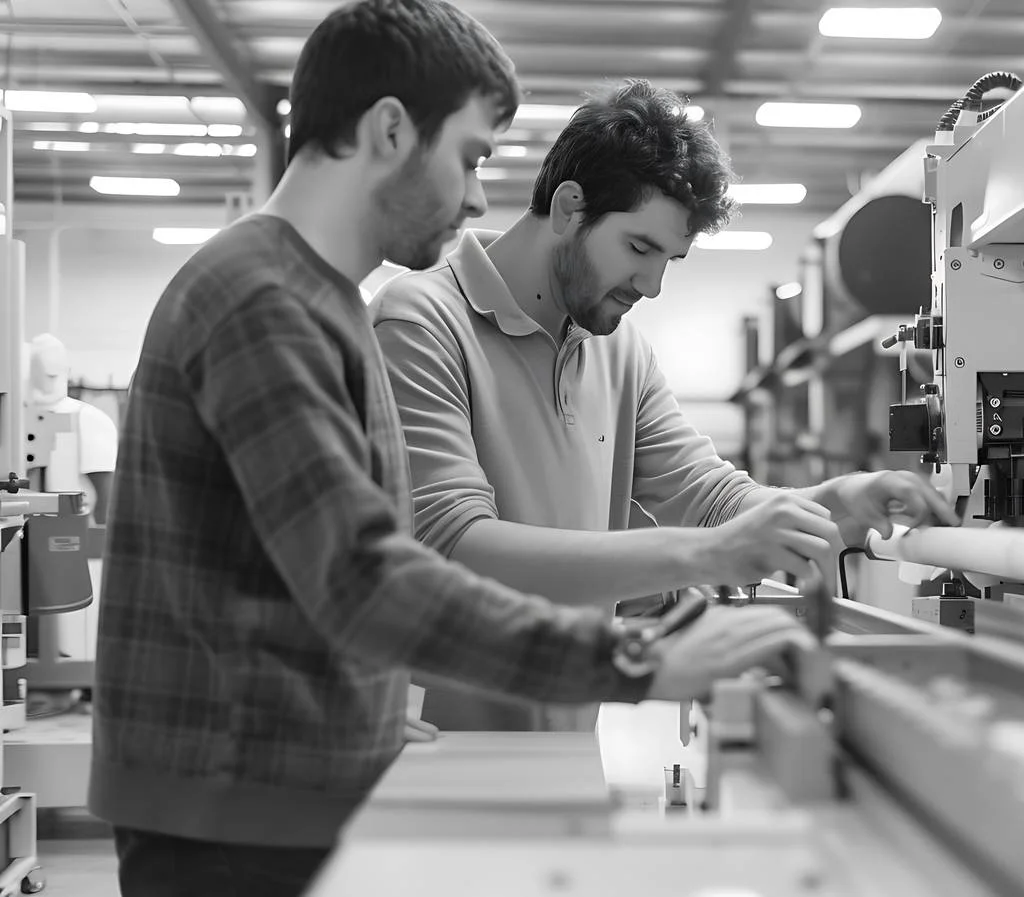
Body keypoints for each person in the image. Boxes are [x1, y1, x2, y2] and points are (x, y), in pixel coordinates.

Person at [88, 4, 811, 896]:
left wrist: (364, 705)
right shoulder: (263, 299)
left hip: (279, 785)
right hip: (234, 810)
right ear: (391, 130)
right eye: (469, 157)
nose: (475, 198)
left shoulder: (319, 302)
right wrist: (638, 661)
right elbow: (368, 577)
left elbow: (309, 566)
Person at [370, 78, 957, 733]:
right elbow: (453, 546)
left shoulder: (620, 352)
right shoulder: (422, 321)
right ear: (568, 208)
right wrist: (706, 554)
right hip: (440, 746)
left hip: (568, 735)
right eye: (639, 248)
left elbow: (709, 497)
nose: (651, 285)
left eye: (669, 259)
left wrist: (836, 502)